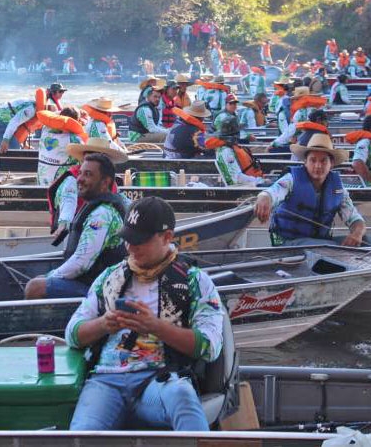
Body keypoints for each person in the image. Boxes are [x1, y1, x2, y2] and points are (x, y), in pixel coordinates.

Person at [65, 196, 225, 431]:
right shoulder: (110, 277)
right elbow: (72, 333)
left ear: (167, 236)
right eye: (127, 239)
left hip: (159, 380)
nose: (130, 247)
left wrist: (155, 326)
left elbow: (210, 347)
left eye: (139, 240)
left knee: (182, 395)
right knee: (81, 433)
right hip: (106, 381)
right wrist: (104, 324)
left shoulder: (195, 280)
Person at [26, 152, 128, 299]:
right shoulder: (97, 206)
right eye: (80, 173)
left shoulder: (102, 214)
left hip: (98, 289)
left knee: (34, 287)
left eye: (88, 174)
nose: (80, 179)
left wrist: (50, 276)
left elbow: (82, 263)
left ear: (105, 182)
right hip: (87, 282)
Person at [255, 134, 367, 247]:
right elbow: (274, 191)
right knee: (325, 246)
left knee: (365, 241)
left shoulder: (338, 189)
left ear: (331, 164)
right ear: (305, 162)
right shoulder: (291, 179)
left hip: (321, 244)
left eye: (323, 161)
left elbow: (354, 218)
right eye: (313, 160)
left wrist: (357, 233)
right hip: (287, 244)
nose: (318, 166)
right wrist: (265, 197)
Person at [206, 117, 264, 186]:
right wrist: (259, 181)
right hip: (243, 187)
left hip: (250, 182)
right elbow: (237, 178)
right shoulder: (226, 151)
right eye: (237, 132)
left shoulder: (231, 147)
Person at [36, 106, 86, 186]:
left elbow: (54, 117)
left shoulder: (45, 130)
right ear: (77, 122)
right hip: (59, 187)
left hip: (41, 182)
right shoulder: (75, 140)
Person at [270, 86, 326, 152]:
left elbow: (290, 131)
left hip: (306, 144)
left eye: (296, 100)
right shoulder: (319, 109)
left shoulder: (300, 112)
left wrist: (274, 143)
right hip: (322, 141)